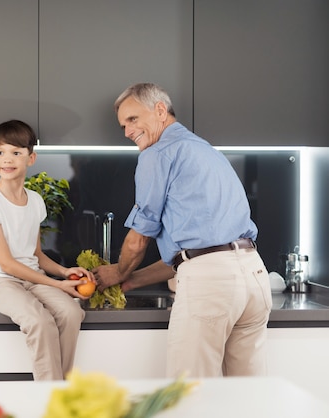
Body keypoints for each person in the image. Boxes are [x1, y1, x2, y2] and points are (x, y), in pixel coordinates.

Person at [93, 83, 272, 378]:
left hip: (211, 286)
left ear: (160, 110)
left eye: (133, 119)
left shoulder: (158, 153)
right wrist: (131, 281)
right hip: (254, 278)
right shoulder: (206, 151)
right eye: (123, 125)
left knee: (190, 393)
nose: (127, 132)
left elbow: (139, 241)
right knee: (247, 395)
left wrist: (118, 272)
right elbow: (191, 256)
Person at [0, 119, 93, 380]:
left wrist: (64, 272)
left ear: (31, 158)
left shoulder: (36, 201)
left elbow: (36, 255)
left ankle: (58, 391)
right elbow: (6, 263)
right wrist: (57, 285)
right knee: (40, 321)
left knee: (72, 313)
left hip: (30, 277)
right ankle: (49, 397)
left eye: (16, 152)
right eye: (1, 152)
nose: (8, 159)